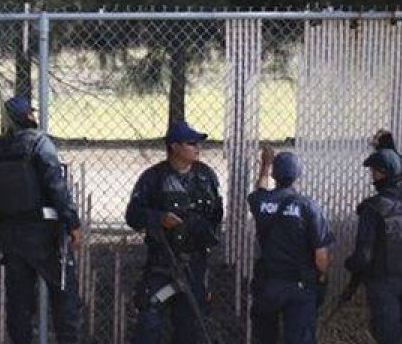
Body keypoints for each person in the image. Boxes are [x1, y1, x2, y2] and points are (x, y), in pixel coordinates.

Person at [0, 95, 82, 344]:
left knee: (19, 305)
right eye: (32, 113)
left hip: (9, 236)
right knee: (65, 298)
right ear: (27, 116)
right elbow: (55, 186)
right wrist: (72, 222)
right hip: (43, 235)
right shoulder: (39, 143)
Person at [124, 119, 223, 343]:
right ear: (174, 147)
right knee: (149, 313)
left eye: (198, 143)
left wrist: (201, 231)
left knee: (192, 323)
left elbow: (216, 215)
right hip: (162, 262)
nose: (197, 148)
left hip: (195, 262)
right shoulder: (153, 178)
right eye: (191, 143)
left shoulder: (206, 176)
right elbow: (133, 215)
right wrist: (159, 219)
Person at [344, 131, 402, 344]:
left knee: (388, 336)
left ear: (380, 174)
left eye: (374, 171)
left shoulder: (373, 208)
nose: (372, 175)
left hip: (386, 285)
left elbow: (363, 257)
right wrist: (391, 149)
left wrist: (350, 265)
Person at [247, 147, 333, 344]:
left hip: (267, 283)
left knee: (264, 336)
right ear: (298, 175)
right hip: (299, 285)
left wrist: (265, 165)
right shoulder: (308, 207)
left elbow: (259, 189)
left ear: (275, 174)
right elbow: (321, 255)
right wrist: (321, 276)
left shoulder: (261, 202)